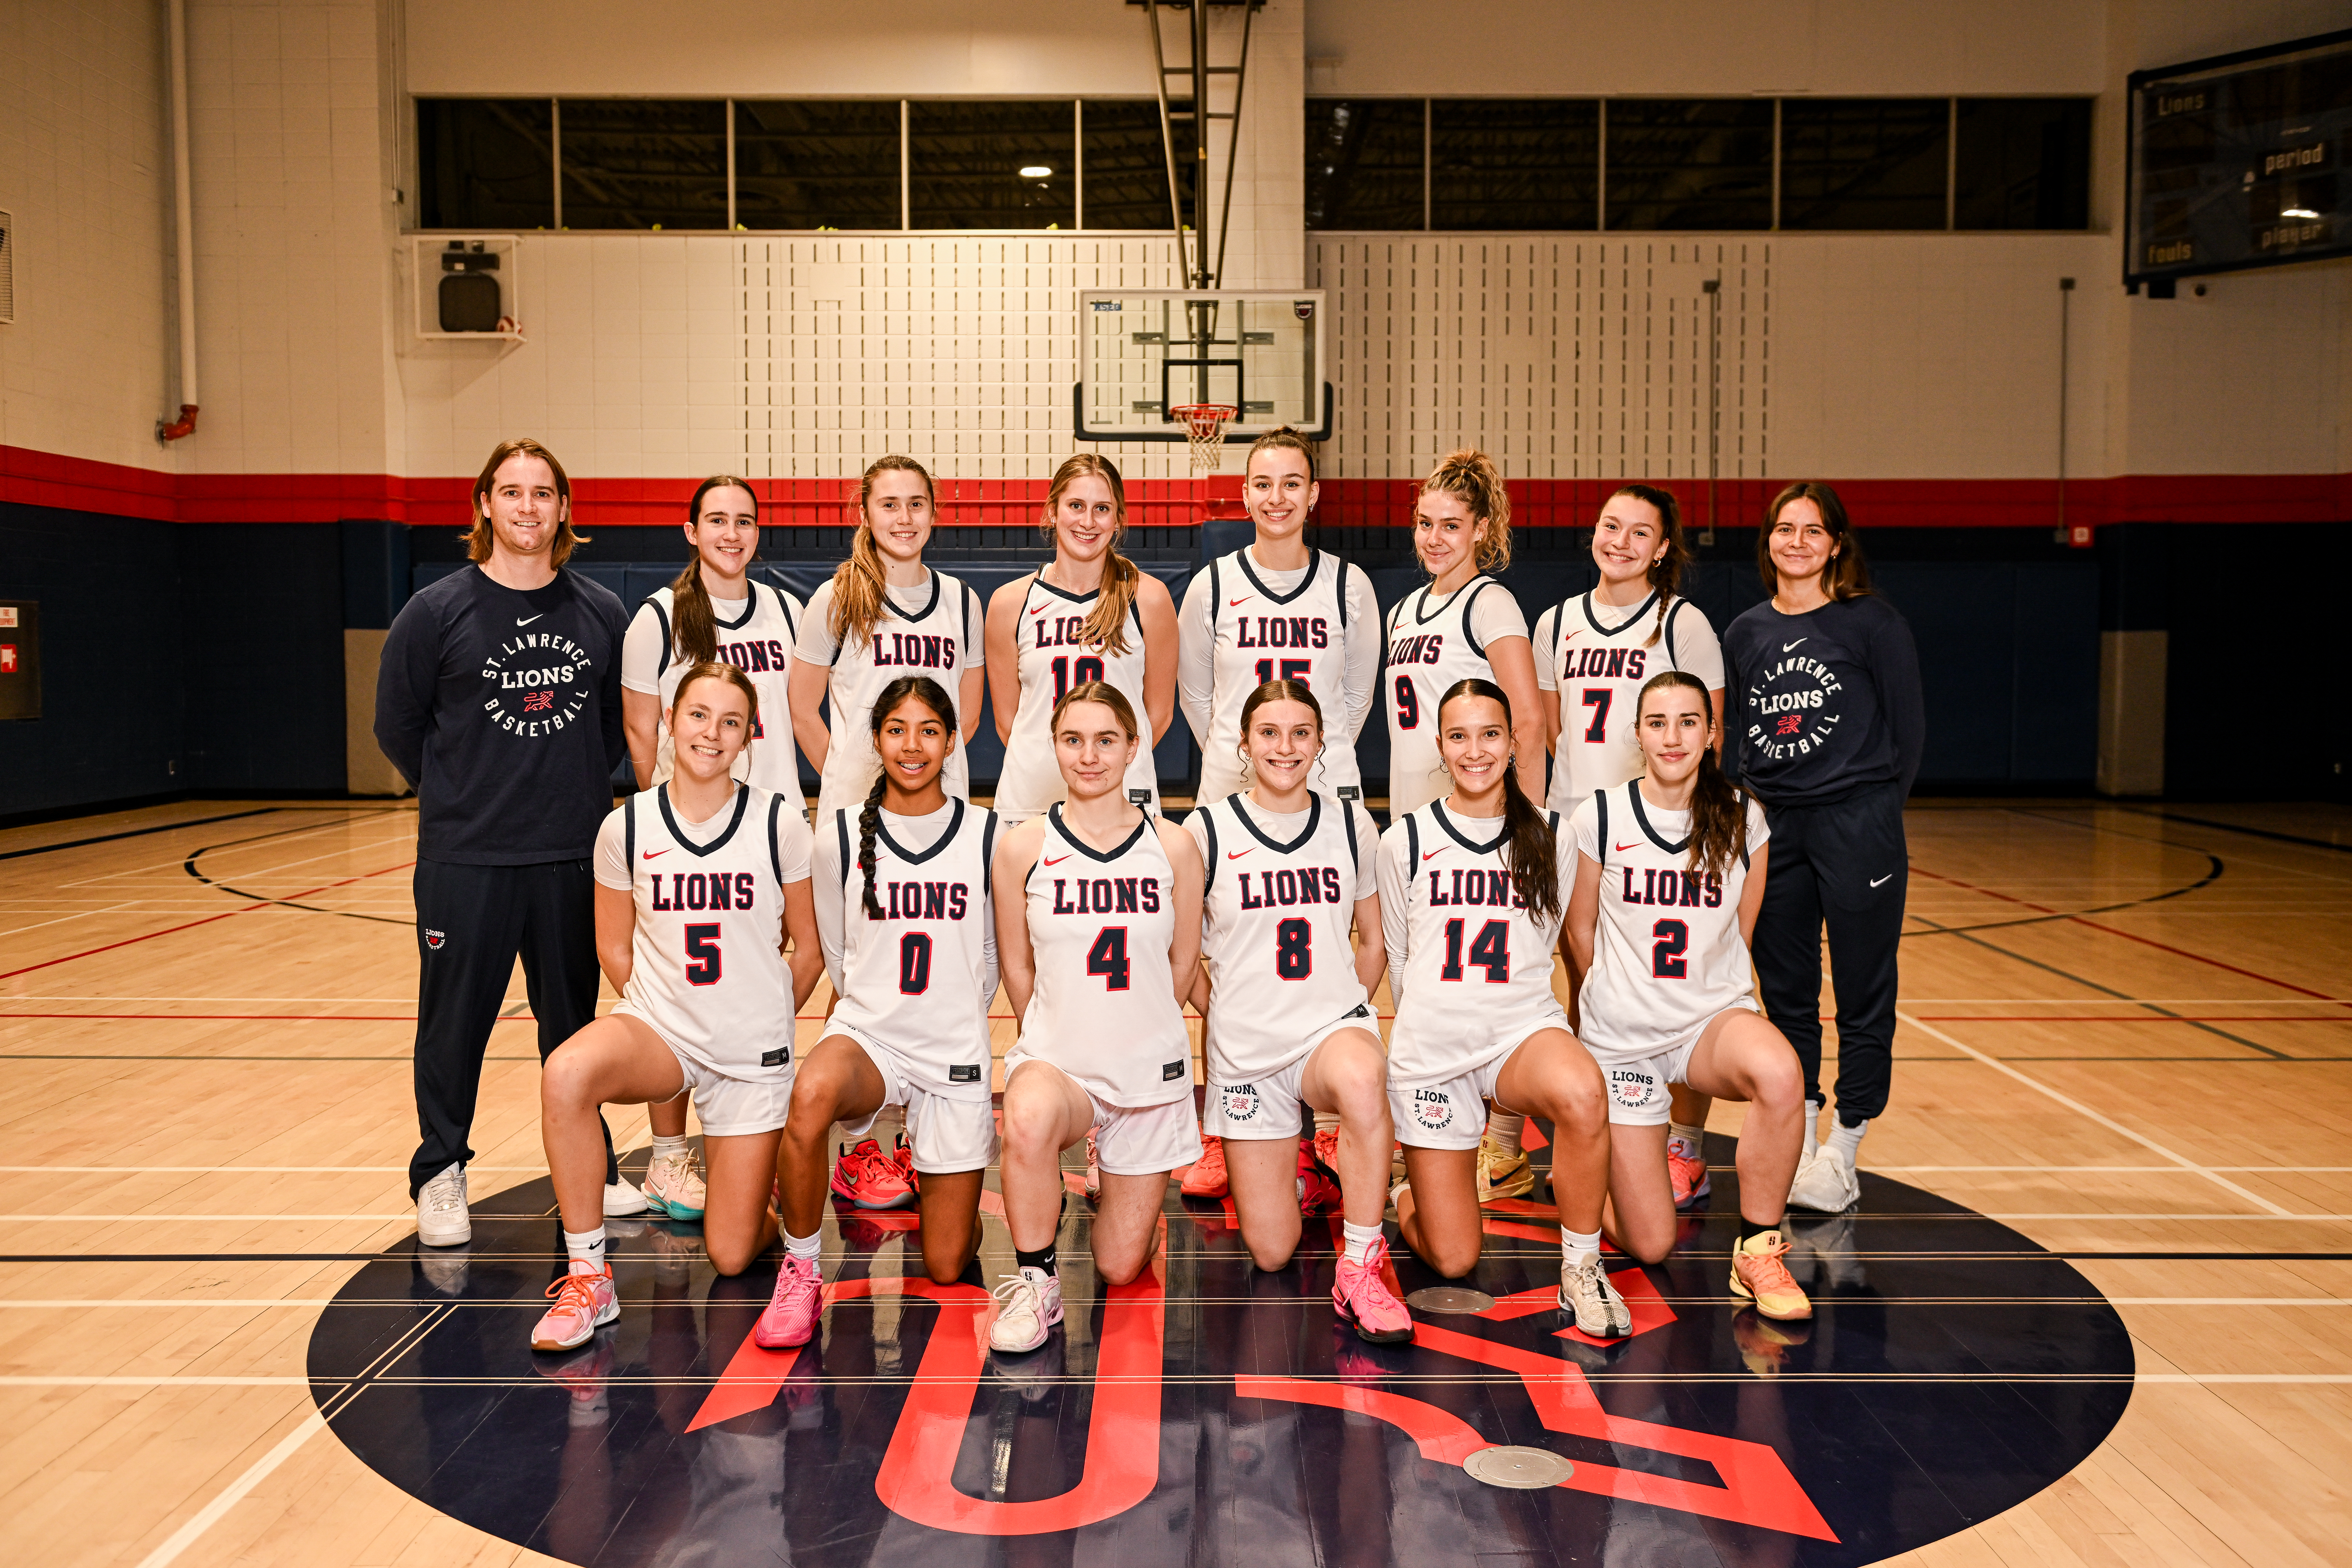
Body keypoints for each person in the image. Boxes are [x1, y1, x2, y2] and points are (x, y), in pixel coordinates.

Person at [377, 437, 641, 1246]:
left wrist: (565, 792)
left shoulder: (600, 611)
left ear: (563, 510)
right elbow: (397, 725)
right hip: (467, 859)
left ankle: (589, 1164)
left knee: (574, 1027)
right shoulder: (436, 611)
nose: (528, 507)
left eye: (543, 493)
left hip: (570, 855)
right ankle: (440, 1170)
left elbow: (613, 729)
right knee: (453, 1026)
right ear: (485, 505)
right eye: (513, 492)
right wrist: (463, 793)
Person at [528, 662, 823, 1351]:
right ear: (670, 720)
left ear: (748, 735)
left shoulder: (779, 823)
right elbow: (613, 946)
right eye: (698, 715)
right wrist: (670, 1008)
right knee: (566, 1074)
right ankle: (588, 1277)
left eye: (730, 721)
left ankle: (758, 1187)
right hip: (662, 1032)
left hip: (751, 1049)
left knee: (730, 1254)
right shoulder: (625, 827)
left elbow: (809, 950)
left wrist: (763, 1020)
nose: (711, 733)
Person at [1491, 484, 1727, 1210]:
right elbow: (1553, 733)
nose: (1620, 542)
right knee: (1582, 986)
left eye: (1639, 532)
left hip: (1659, 836)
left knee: (1676, 989)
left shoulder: (1683, 624)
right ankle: (1579, 1130)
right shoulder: (1558, 621)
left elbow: (1707, 735)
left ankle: (1683, 1147)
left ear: (1662, 548)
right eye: (1609, 526)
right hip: (1576, 831)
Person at [1380, 679, 1625, 1336]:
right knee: (1455, 1259)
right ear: (1440, 746)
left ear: (1514, 742)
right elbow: (1402, 962)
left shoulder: (1554, 834)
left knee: (1584, 1090)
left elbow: (1543, 943)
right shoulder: (1405, 840)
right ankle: (1408, 1192)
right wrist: (1436, 1034)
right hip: (1434, 1050)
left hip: (1520, 1031)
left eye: (1490, 734)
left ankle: (1582, 1265)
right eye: (1459, 737)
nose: (1475, 751)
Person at [1564, 671, 1810, 1322]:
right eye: (1658, 723)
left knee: (1782, 1073)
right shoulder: (1601, 816)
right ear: (1638, 734)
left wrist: (1707, 1002)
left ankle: (1756, 1250)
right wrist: (1609, 1010)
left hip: (1707, 1025)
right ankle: (1586, 1173)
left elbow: (1740, 935)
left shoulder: (1744, 817)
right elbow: (1579, 932)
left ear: (1711, 733)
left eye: (1688, 722)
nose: (1672, 737)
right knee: (1652, 1243)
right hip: (1625, 1043)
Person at [761, 677, 1001, 1346]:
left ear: (951, 742)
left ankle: (939, 1176)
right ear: (876, 740)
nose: (912, 745)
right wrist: (880, 1010)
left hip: (952, 1048)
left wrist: (953, 1015)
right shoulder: (838, 837)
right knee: (811, 1094)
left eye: (929, 730)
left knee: (947, 1264)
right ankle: (801, 1269)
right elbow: (840, 954)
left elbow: (991, 952)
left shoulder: (987, 834)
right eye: (897, 729)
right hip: (870, 1036)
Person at [1721, 482, 1925, 1213]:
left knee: (1864, 992)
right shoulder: (1745, 632)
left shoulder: (1873, 623)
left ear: (1836, 544)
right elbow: (1737, 740)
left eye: (1813, 531)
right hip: (1777, 827)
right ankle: (1800, 1139)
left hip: (1857, 825)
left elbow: (1908, 734)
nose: (1798, 542)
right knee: (1787, 994)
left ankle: (1845, 1148)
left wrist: (1873, 815)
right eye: (1786, 529)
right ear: (1769, 542)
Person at [986, 683, 1206, 1355]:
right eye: (1073, 740)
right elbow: (1017, 966)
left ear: (1134, 747)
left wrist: (1136, 1028)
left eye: (1106, 740)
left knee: (1118, 1265)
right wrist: (1058, 1033)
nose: (1089, 756)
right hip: (1063, 1067)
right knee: (1027, 1113)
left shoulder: (1173, 847)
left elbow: (1183, 963)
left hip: (1146, 1074)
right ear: (1054, 747)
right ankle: (1038, 1283)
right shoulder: (1022, 847)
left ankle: (1117, 1173)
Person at [1185, 679, 1408, 1340]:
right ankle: (1312, 1174)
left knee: (1363, 1077)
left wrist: (1342, 1012)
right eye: (1269, 733)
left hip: (1326, 1035)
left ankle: (1360, 1264)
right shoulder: (1206, 830)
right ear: (1244, 744)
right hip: (1247, 1052)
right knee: (1273, 1251)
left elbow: (1375, 939)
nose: (1285, 747)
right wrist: (1222, 1016)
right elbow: (1181, 955)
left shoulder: (1350, 822)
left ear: (1320, 742)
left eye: (1301, 733)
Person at [619, 474, 807, 1222]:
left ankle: (745, 1127)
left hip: (768, 827)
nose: (732, 534)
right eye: (718, 520)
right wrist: (671, 819)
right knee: (675, 984)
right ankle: (669, 1157)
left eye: (745, 521)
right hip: (688, 831)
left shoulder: (787, 610)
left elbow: (797, 713)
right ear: (691, 530)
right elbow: (641, 729)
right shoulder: (658, 617)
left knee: (758, 978)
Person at [1179, 427, 1380, 806]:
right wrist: (1238, 753)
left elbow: (1357, 699)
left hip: (1325, 782)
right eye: (1263, 485)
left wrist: (1309, 755)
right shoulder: (1212, 585)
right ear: (1246, 495)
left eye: (1291, 484)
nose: (1276, 498)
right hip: (1233, 782)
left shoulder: (1349, 585)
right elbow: (1195, 697)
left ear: (1312, 494)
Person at [788, 455, 986, 825]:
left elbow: (967, 718)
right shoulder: (836, 598)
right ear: (865, 515)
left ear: (933, 514)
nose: (905, 518)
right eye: (890, 505)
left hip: (940, 803)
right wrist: (847, 772)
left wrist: (917, 775)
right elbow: (802, 712)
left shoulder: (962, 601)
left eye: (916, 504)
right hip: (855, 806)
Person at [986, 454, 1177, 826]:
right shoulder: (1010, 603)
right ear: (1052, 511)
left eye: (1102, 509)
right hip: (1031, 796)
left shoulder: (1148, 599)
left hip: (1122, 796)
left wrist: (1103, 765)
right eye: (1076, 506)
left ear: (1118, 519)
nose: (1088, 522)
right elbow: (1009, 722)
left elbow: (1159, 714)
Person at [1382, 450, 1544, 822]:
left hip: (1476, 818)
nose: (1434, 538)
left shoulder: (1490, 603)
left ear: (1480, 529)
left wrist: (1532, 822)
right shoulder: (1401, 612)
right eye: (1425, 524)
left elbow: (1530, 722)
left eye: (1451, 526)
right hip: (1410, 812)